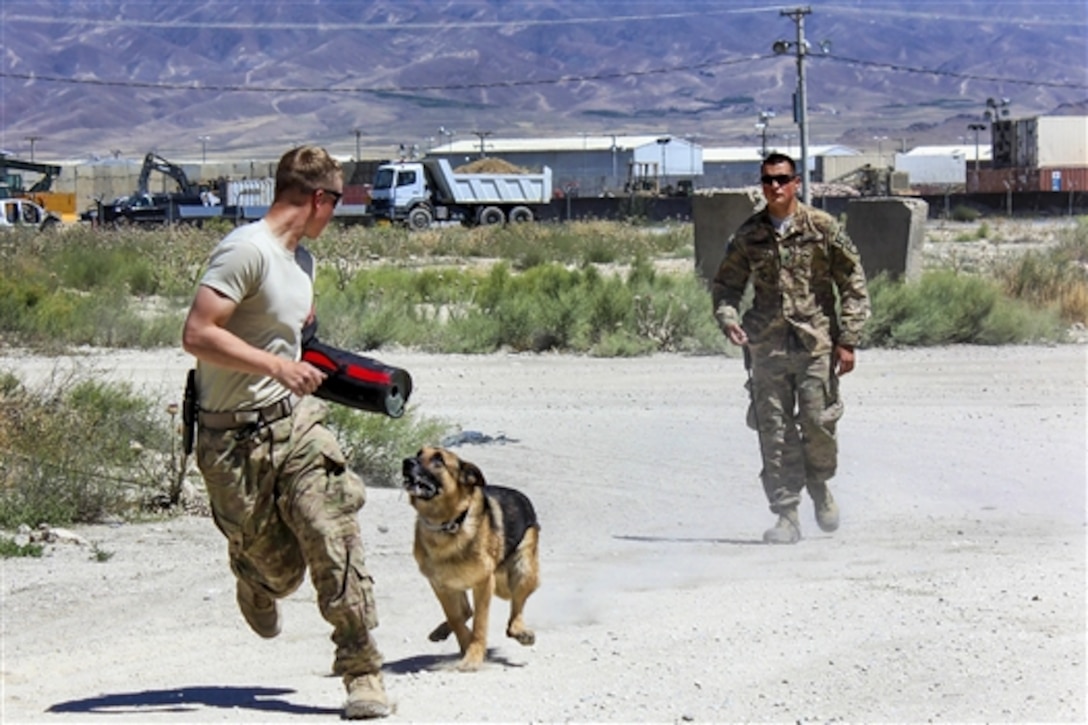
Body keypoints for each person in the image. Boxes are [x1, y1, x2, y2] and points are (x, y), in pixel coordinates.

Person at [182, 145, 391, 718]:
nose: (337, 213)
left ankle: (362, 673)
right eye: (337, 201)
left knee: (333, 532)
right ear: (318, 199)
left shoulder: (304, 261)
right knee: (282, 572)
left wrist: (346, 374)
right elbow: (198, 333)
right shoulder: (245, 251)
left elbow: (295, 335)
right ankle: (255, 579)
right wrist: (277, 366)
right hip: (231, 440)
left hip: (295, 425)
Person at [711, 152, 870, 545]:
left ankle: (819, 485)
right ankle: (786, 514)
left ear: (796, 182)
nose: (775, 187)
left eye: (782, 179)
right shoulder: (749, 235)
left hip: (815, 343)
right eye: (767, 181)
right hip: (767, 349)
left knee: (818, 424)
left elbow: (852, 283)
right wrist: (729, 320)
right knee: (774, 433)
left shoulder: (822, 227)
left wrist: (848, 339)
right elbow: (726, 287)